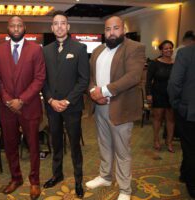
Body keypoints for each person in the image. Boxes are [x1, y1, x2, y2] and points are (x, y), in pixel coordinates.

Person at [86, 16, 145, 200]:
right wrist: (93, 92)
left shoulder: (135, 48)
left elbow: (133, 76)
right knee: (104, 145)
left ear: (123, 29)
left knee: (122, 150)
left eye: (115, 28)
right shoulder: (97, 50)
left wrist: (104, 91)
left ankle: (125, 189)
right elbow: (91, 77)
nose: (111, 32)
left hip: (121, 108)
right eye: (108, 29)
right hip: (100, 107)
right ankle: (105, 176)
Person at [0, 16, 45, 200]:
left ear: (25, 27)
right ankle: (16, 178)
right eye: (12, 25)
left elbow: (39, 78)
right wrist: (8, 100)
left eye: (19, 25)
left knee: (32, 146)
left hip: (29, 106)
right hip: (7, 108)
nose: (16, 28)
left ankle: (34, 181)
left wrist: (21, 100)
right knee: (10, 145)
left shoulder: (36, 49)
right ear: (8, 28)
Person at [42, 11, 89, 198]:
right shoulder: (45, 50)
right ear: (52, 28)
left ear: (68, 27)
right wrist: (51, 100)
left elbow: (83, 80)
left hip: (72, 107)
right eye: (56, 23)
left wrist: (67, 101)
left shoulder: (79, 48)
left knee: (75, 145)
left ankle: (79, 180)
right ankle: (57, 174)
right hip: (52, 107)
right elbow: (42, 80)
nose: (60, 26)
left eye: (63, 23)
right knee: (56, 143)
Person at [168, 44, 195, 198]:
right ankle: (185, 174)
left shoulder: (186, 53)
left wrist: (175, 103)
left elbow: (174, 83)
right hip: (189, 110)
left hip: (188, 111)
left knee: (190, 148)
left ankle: (191, 182)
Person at [146, 40, 175, 153]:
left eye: (170, 48)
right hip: (157, 93)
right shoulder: (154, 63)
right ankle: (156, 140)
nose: (168, 50)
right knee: (157, 118)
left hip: (172, 94)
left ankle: (169, 142)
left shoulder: (176, 63)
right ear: (161, 50)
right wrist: (148, 94)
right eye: (166, 48)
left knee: (171, 119)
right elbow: (148, 80)